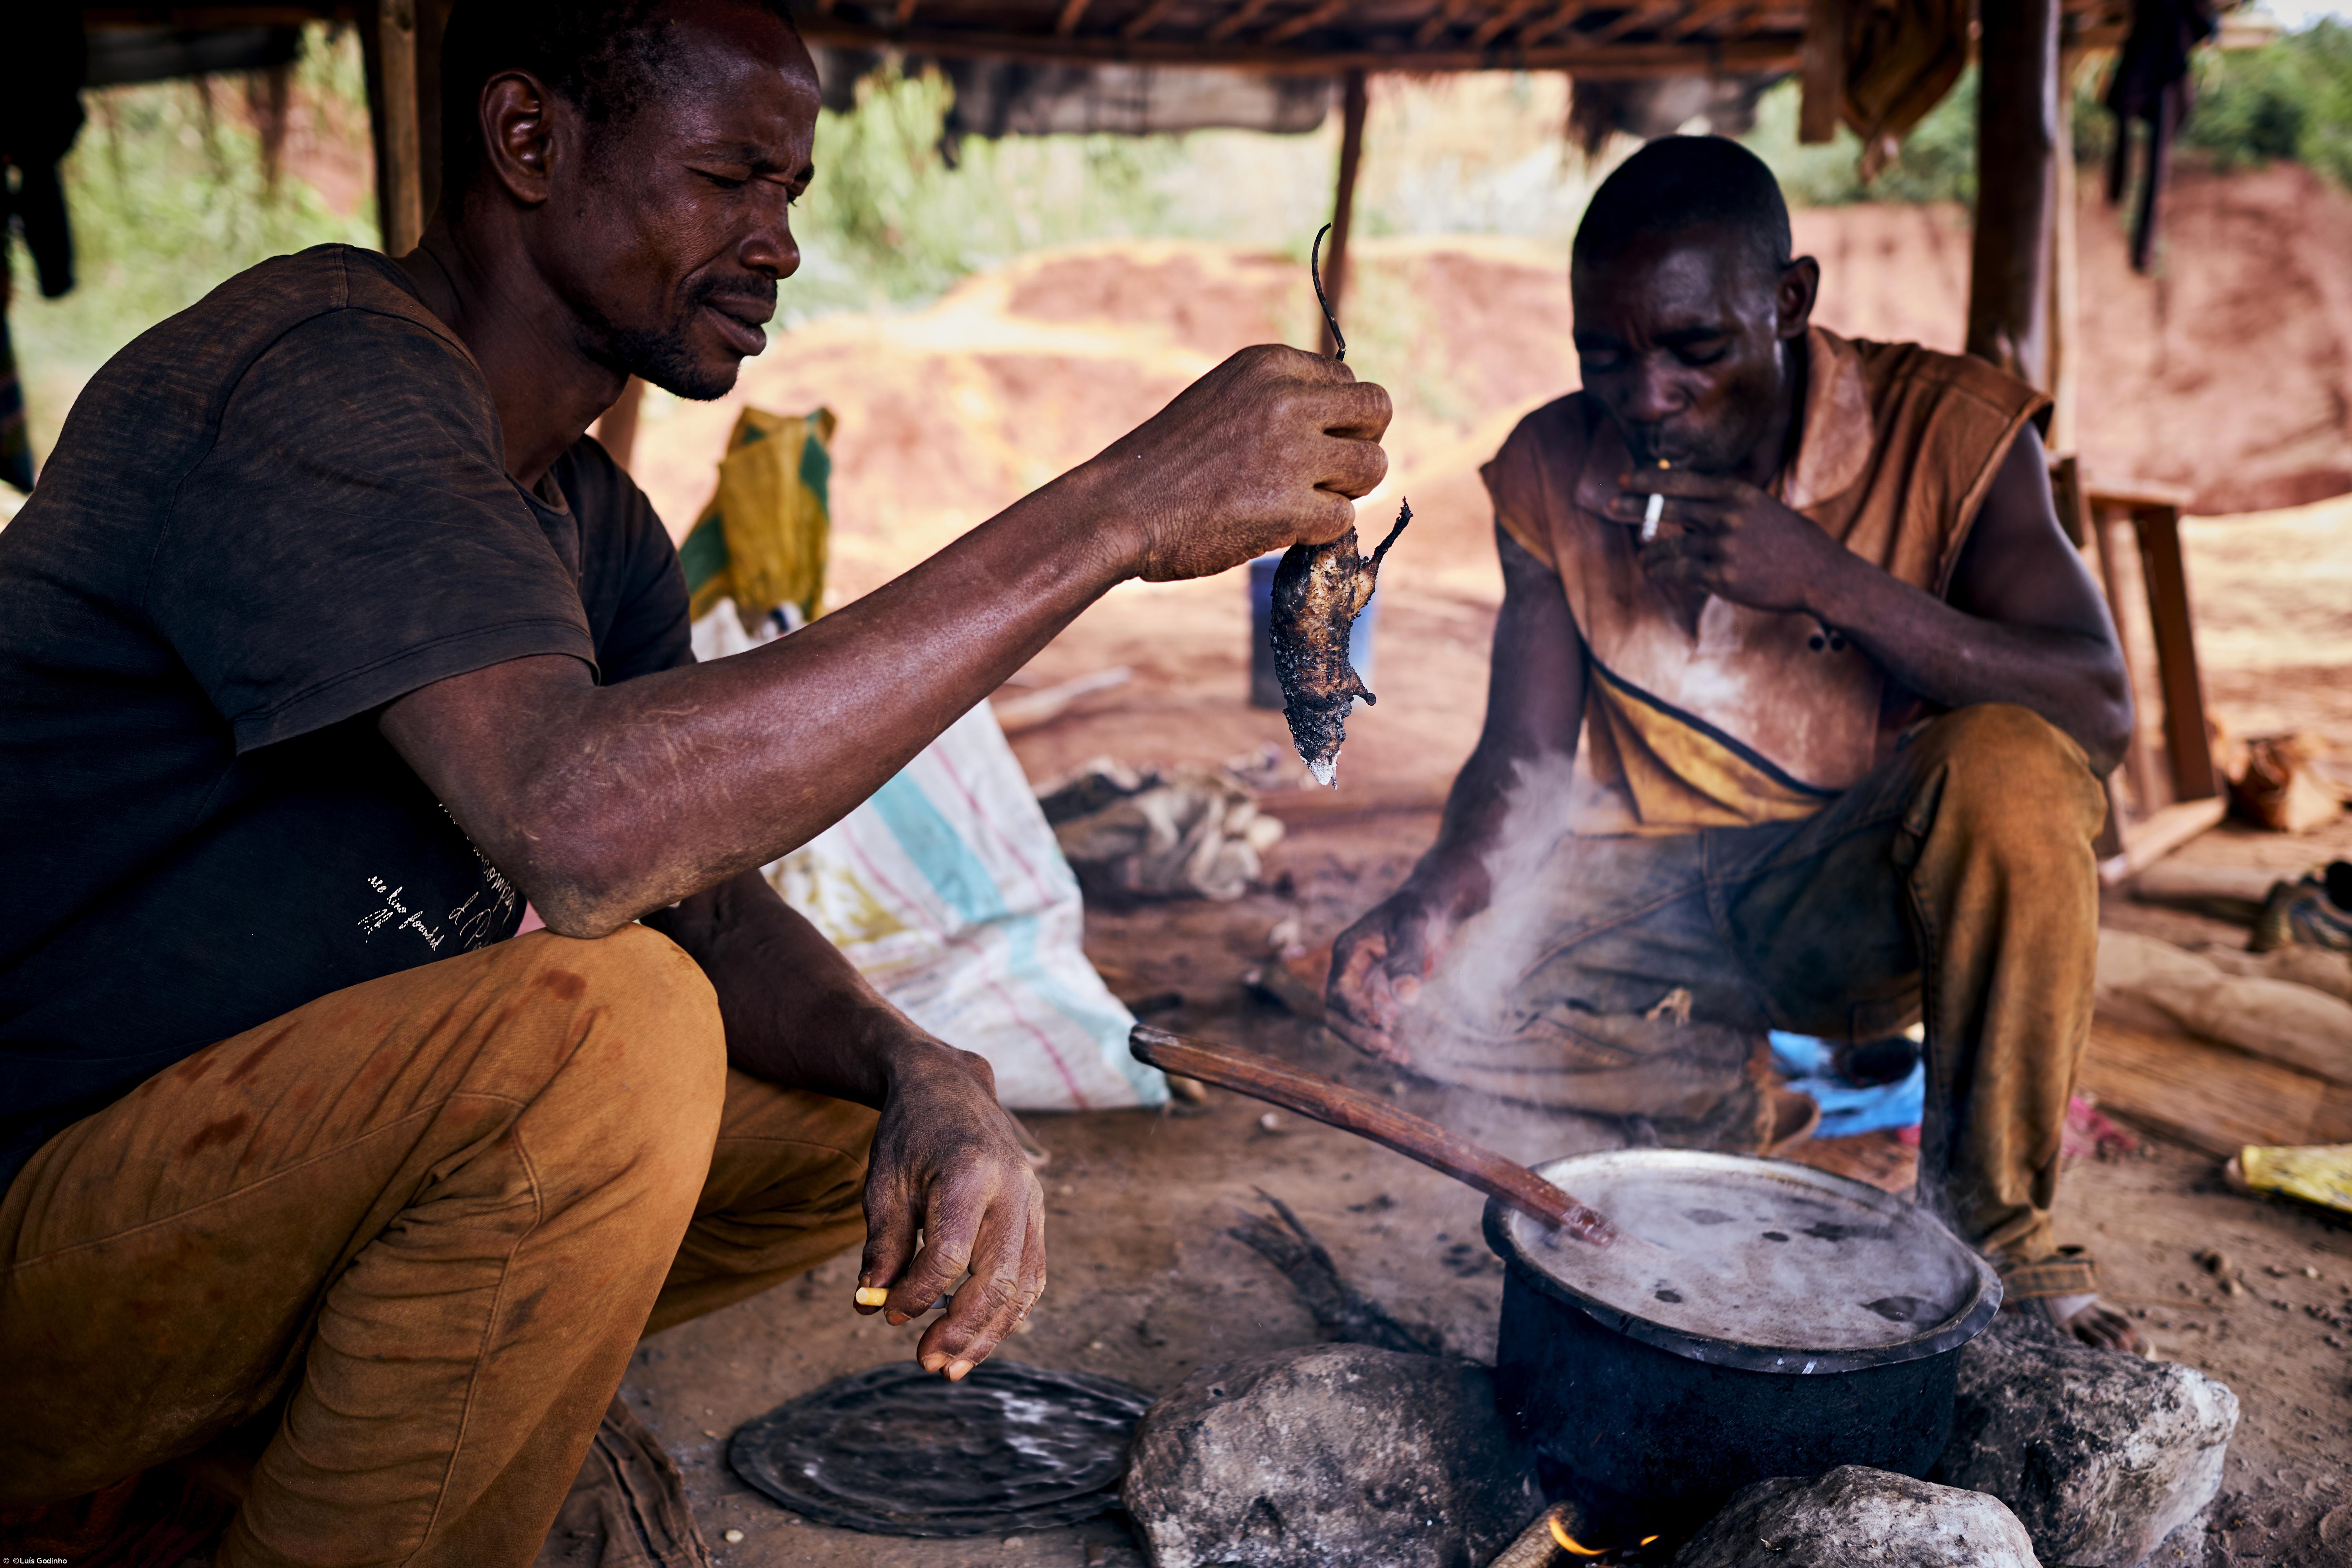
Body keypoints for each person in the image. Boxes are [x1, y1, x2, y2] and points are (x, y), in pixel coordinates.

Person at [0, 2, 1390, 1562]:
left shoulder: (591, 526)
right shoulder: (321, 381)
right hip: (36, 1238)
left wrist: (922, 1062)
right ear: (532, 144)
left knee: (841, 1127)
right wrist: (1114, 512)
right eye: (730, 176)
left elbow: (705, 915)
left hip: (240, 1198)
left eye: (789, 191)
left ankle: (292, 1448)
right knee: (611, 1040)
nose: (777, 241)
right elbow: (582, 835)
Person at [1325, 136, 2140, 1353]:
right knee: (1423, 1011)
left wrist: (1829, 582)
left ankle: (1995, 1244)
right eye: (1607, 356)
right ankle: (1717, 1094)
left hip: (1862, 901)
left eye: (1695, 351)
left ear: (1789, 303)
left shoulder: (1951, 434)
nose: (1646, 396)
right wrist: (1437, 897)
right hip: (1659, 895)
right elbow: (1522, 763)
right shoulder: (1552, 469)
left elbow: (2099, 709)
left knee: (2015, 768)